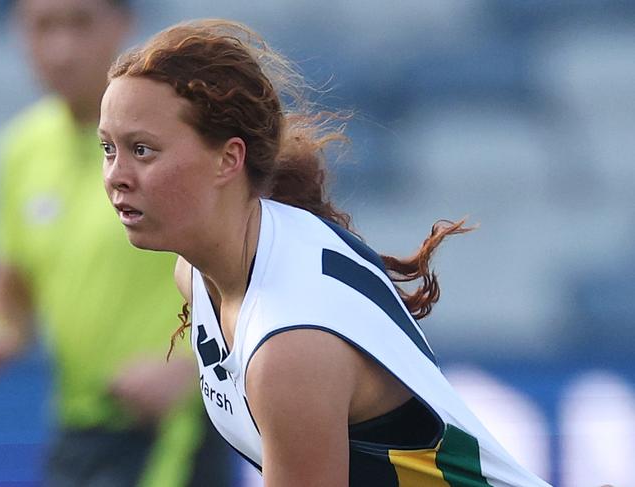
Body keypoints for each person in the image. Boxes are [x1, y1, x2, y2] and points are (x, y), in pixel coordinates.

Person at [99, 19, 552, 486]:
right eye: (108, 148)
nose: (116, 175)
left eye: (143, 150)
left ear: (229, 159)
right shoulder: (201, 270)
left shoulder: (289, 347)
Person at [0, 2, 232, 486]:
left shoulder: (175, 138)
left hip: (170, 429)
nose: (61, 49)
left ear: (122, 24)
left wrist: (187, 371)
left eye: (80, 23)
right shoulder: (21, 150)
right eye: (43, 27)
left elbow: (253, 274)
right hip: (76, 428)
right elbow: (15, 302)